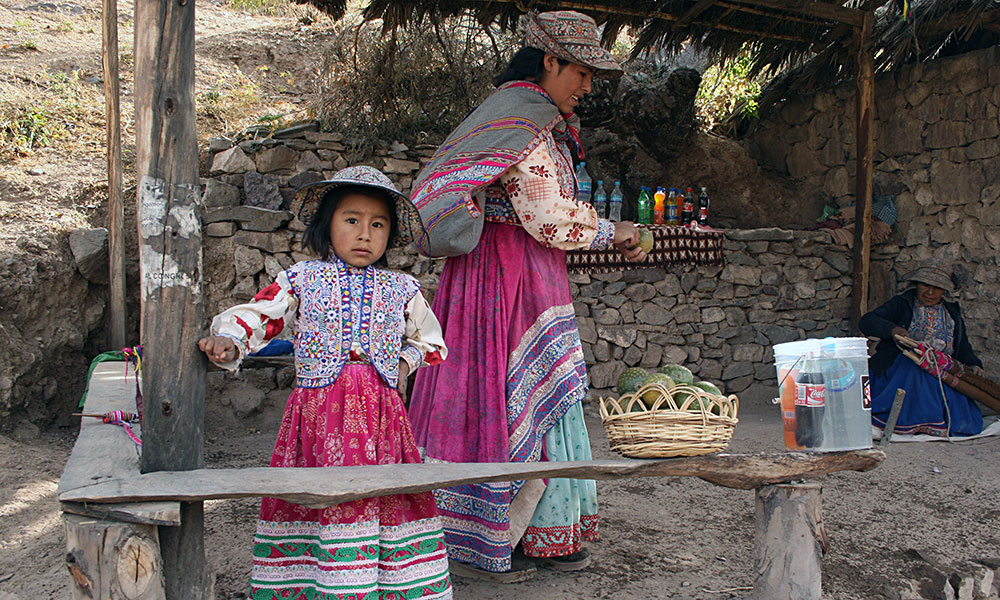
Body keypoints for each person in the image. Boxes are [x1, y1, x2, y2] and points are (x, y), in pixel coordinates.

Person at [406, 10, 647, 581]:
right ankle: (521, 535)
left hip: (495, 277)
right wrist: (617, 231)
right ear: (550, 62)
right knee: (521, 391)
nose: (587, 86)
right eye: (581, 72)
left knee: (499, 390)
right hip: (508, 279)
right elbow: (544, 216)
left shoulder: (517, 116)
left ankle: (514, 531)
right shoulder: (525, 119)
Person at [199, 166, 453, 599]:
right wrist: (230, 338)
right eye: (351, 220)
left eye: (378, 224)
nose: (364, 234)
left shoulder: (403, 288)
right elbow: (264, 315)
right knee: (321, 501)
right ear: (327, 225)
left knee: (381, 500)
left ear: (389, 235)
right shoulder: (303, 280)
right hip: (318, 421)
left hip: (380, 422)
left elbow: (431, 342)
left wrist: (402, 365)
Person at [860, 257, 985, 437]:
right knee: (915, 367)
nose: (930, 292)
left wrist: (974, 364)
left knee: (939, 380)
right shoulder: (902, 304)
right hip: (901, 370)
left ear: (944, 291)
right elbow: (867, 321)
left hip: (939, 371)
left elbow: (963, 348)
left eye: (937, 288)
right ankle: (910, 421)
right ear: (916, 284)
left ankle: (937, 422)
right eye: (925, 285)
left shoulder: (952, 314)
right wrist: (893, 329)